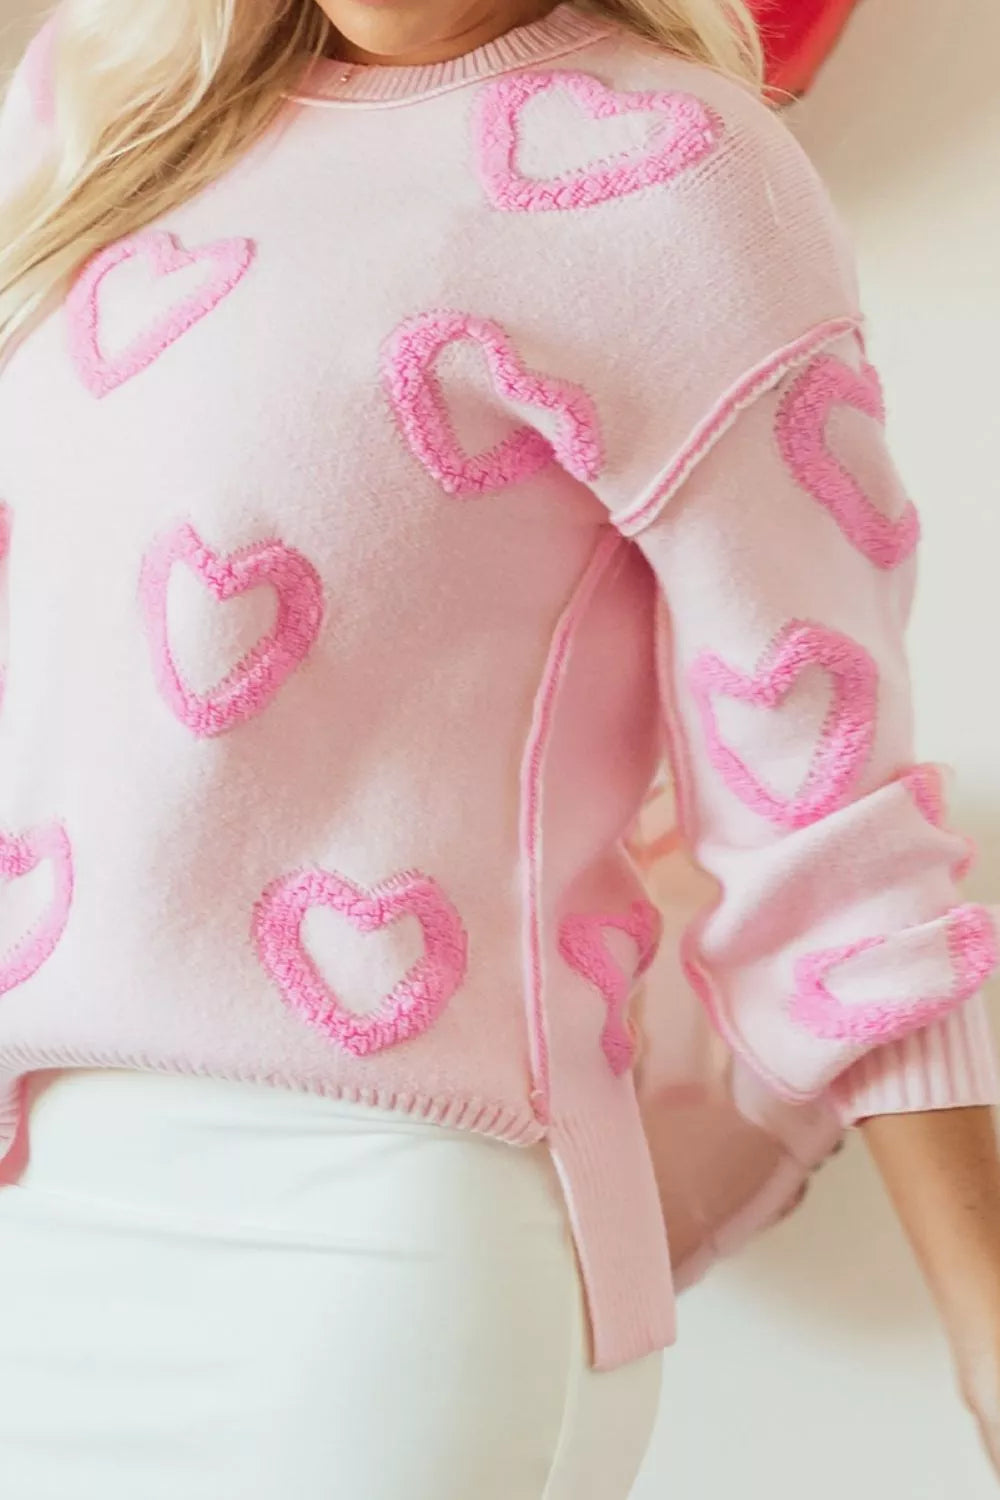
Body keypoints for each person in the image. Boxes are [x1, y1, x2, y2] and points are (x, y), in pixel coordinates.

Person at [0, 1, 998, 1496]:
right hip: (40, 1233)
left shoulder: (683, 175)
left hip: (372, 1274)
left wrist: (985, 1320)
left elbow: (821, 804)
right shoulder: (101, 89)